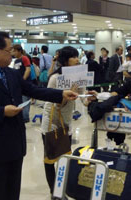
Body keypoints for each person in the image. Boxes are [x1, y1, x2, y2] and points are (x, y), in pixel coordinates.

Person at [0, 32, 78, 200]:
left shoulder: (11, 73)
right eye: (9, 50)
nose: (13, 54)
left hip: (15, 142)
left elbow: (33, 90)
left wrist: (61, 94)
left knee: (12, 188)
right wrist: (1, 111)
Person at [41, 46, 82, 197]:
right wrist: (64, 99)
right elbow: (51, 101)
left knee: (65, 157)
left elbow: (82, 98)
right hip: (51, 121)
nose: (77, 59)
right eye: (73, 57)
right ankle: (54, 191)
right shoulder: (55, 78)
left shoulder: (79, 76)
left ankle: (62, 187)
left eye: (77, 56)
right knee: (50, 157)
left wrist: (89, 97)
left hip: (66, 122)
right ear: (65, 60)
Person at [12, 44, 32, 123]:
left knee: (25, 100)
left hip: (25, 84)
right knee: (21, 101)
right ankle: (23, 116)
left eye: (14, 51)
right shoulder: (16, 60)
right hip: (18, 85)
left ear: (19, 51)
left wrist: (23, 80)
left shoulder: (24, 58)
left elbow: (28, 70)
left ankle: (25, 117)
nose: (13, 53)